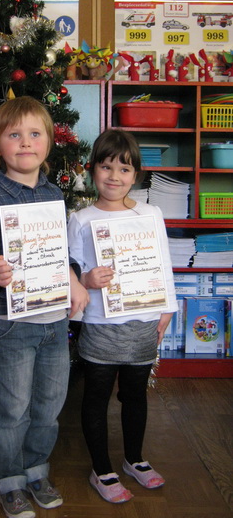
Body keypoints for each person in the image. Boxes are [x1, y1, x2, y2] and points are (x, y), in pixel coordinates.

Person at [0, 96, 89, 518]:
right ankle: (9, 479)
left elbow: (62, 254)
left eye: (35, 134)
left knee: (49, 405)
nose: (25, 142)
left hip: (54, 321)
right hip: (11, 323)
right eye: (14, 135)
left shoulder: (54, 194)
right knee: (11, 408)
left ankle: (36, 470)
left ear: (49, 142)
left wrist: (74, 279)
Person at [67, 128, 178, 504]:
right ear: (92, 170)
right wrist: (85, 279)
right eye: (106, 167)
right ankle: (101, 468)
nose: (114, 176)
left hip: (143, 321)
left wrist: (167, 307)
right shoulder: (81, 219)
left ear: (136, 175)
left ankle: (134, 458)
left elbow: (163, 261)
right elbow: (71, 272)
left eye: (124, 169)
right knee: (96, 396)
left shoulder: (150, 213)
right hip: (101, 324)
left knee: (135, 394)